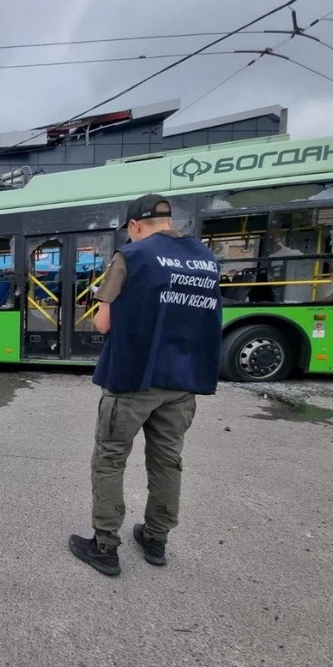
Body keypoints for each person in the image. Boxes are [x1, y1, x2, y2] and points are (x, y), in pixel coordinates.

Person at [69, 194, 223, 576]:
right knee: (168, 461)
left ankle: (104, 547)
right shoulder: (206, 259)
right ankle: (156, 539)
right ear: (168, 221)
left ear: (135, 225)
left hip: (133, 380)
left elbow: (103, 324)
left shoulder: (131, 256)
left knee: (109, 459)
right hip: (182, 381)